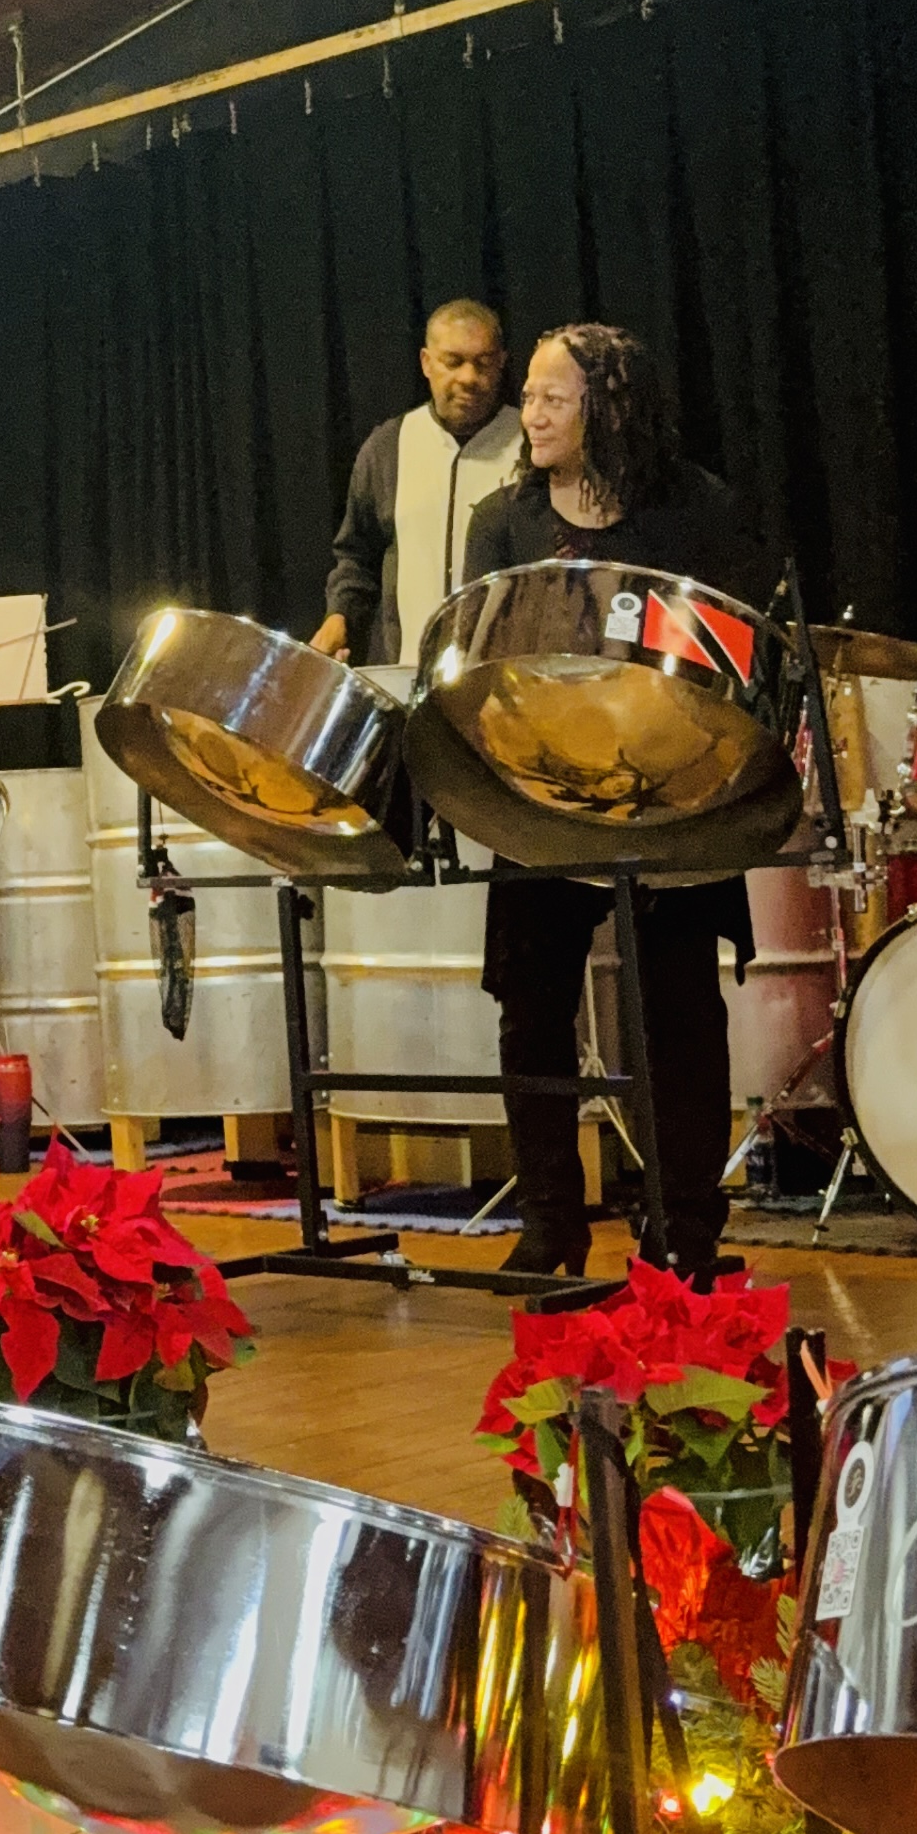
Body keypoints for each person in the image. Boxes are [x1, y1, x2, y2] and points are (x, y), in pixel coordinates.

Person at [464, 322, 757, 1286]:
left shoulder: (695, 511)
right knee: (530, 1005)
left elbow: (734, 663)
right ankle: (551, 1222)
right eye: (533, 396)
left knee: (677, 1008)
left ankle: (684, 1232)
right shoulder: (502, 523)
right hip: (545, 789)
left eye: (552, 397)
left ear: (611, 407)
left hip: (665, 789)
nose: (531, 413)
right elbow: (477, 665)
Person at [312, 299, 522, 667]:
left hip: (505, 681)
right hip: (405, 677)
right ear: (426, 362)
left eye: (483, 363)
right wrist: (338, 617)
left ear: (502, 361)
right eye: (453, 362)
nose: (469, 378)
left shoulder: (533, 442)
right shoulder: (388, 447)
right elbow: (357, 557)